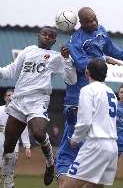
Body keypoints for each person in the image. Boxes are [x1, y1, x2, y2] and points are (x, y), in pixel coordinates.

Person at [55, 7, 123, 188]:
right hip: (109, 146)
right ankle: (61, 167)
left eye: (95, 19)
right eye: (89, 21)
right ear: (80, 23)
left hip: (94, 142)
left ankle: (62, 170)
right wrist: (104, 59)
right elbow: (80, 65)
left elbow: (111, 48)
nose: (94, 23)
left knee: (70, 149)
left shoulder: (102, 32)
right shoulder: (75, 42)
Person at [0, 26, 77, 188]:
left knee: (38, 132)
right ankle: (8, 181)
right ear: (39, 35)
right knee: (8, 145)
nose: (47, 37)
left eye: (51, 36)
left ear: (54, 40)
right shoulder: (28, 51)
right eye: (45, 34)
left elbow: (71, 80)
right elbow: (11, 72)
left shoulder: (57, 57)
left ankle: (50, 163)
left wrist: (67, 59)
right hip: (19, 100)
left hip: (38, 100)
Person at [61, 58, 118, 188]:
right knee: (95, 186)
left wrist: (75, 140)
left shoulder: (88, 90)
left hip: (95, 145)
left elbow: (85, 122)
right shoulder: (111, 93)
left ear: (87, 72)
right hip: (112, 148)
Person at [0, 89, 31, 183]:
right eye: (8, 95)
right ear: (5, 98)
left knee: (9, 168)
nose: (10, 97)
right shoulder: (0, 110)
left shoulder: (20, 113)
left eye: (12, 96)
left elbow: (24, 131)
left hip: (13, 142)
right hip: (0, 140)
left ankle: (9, 183)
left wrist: (27, 146)